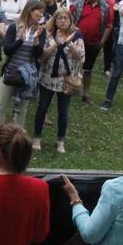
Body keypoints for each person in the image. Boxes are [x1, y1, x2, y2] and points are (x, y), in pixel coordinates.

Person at [33, 9, 84, 154]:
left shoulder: (77, 36)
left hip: (66, 80)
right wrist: (55, 44)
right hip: (48, 78)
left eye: (65, 18)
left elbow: (80, 56)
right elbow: (42, 56)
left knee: (63, 111)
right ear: (55, 21)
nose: (62, 21)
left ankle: (61, 141)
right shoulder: (49, 34)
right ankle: (37, 138)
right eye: (59, 18)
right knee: (42, 108)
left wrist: (69, 44)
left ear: (70, 20)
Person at [0, 0, 46, 139]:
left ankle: (17, 139)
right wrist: (20, 40)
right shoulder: (14, 27)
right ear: (29, 10)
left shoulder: (40, 31)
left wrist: (36, 44)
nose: (41, 14)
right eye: (38, 11)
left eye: (42, 12)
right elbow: (7, 50)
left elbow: (39, 55)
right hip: (10, 72)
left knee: (22, 110)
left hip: (27, 76)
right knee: (2, 107)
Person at [72, 0, 112, 104]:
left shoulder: (105, 7)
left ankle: (85, 92)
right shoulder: (79, 3)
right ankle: (71, 87)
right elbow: (72, 19)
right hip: (77, 41)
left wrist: (101, 43)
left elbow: (108, 26)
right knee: (72, 65)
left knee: (88, 69)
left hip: (94, 43)